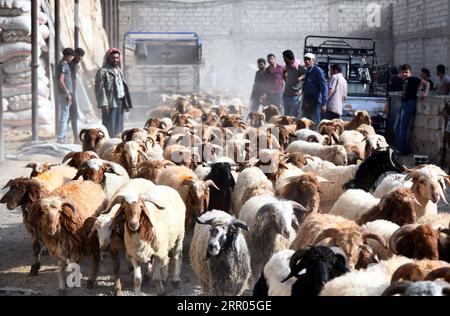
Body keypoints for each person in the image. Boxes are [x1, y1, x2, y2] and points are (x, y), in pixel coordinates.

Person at [95, 48, 133, 137]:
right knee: (109, 127)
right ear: (108, 58)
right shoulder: (102, 72)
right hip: (110, 103)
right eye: (113, 58)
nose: (115, 60)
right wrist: (104, 104)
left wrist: (125, 103)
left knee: (119, 127)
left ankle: (117, 144)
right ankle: (109, 144)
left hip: (120, 102)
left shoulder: (119, 71)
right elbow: (100, 90)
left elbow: (122, 88)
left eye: (117, 58)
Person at [394, 64, 430, 156]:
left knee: (402, 128)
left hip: (410, 103)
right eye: (403, 72)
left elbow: (427, 83)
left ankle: (401, 149)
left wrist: (425, 93)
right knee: (396, 127)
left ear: (410, 72)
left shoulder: (413, 79)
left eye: (406, 72)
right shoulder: (404, 80)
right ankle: (406, 149)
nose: (405, 74)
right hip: (404, 104)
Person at [301, 53, 328, 125]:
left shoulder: (318, 71)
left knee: (315, 123)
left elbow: (324, 87)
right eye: (305, 59)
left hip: (315, 102)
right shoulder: (307, 71)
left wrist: (324, 103)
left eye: (309, 59)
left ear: (313, 61)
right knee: (306, 123)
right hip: (307, 102)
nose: (307, 61)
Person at [56, 47, 76, 144]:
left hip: (65, 93)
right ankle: (60, 137)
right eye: (72, 56)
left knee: (65, 114)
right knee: (64, 115)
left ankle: (62, 136)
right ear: (68, 56)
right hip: (64, 93)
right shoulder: (63, 65)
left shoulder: (65, 65)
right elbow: (60, 80)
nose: (72, 58)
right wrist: (67, 93)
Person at [282, 50, 306, 117]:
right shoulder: (287, 65)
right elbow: (285, 77)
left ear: (288, 57)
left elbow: (306, 74)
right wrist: (284, 75)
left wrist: (301, 77)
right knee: (286, 117)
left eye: (284, 57)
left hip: (294, 97)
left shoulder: (299, 66)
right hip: (286, 95)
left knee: (292, 117)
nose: (283, 59)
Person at [68, 48, 85, 144]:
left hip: (72, 92)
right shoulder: (70, 65)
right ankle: (75, 137)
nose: (80, 58)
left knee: (71, 115)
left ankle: (64, 134)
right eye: (79, 56)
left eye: (82, 56)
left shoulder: (75, 65)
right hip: (69, 92)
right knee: (73, 115)